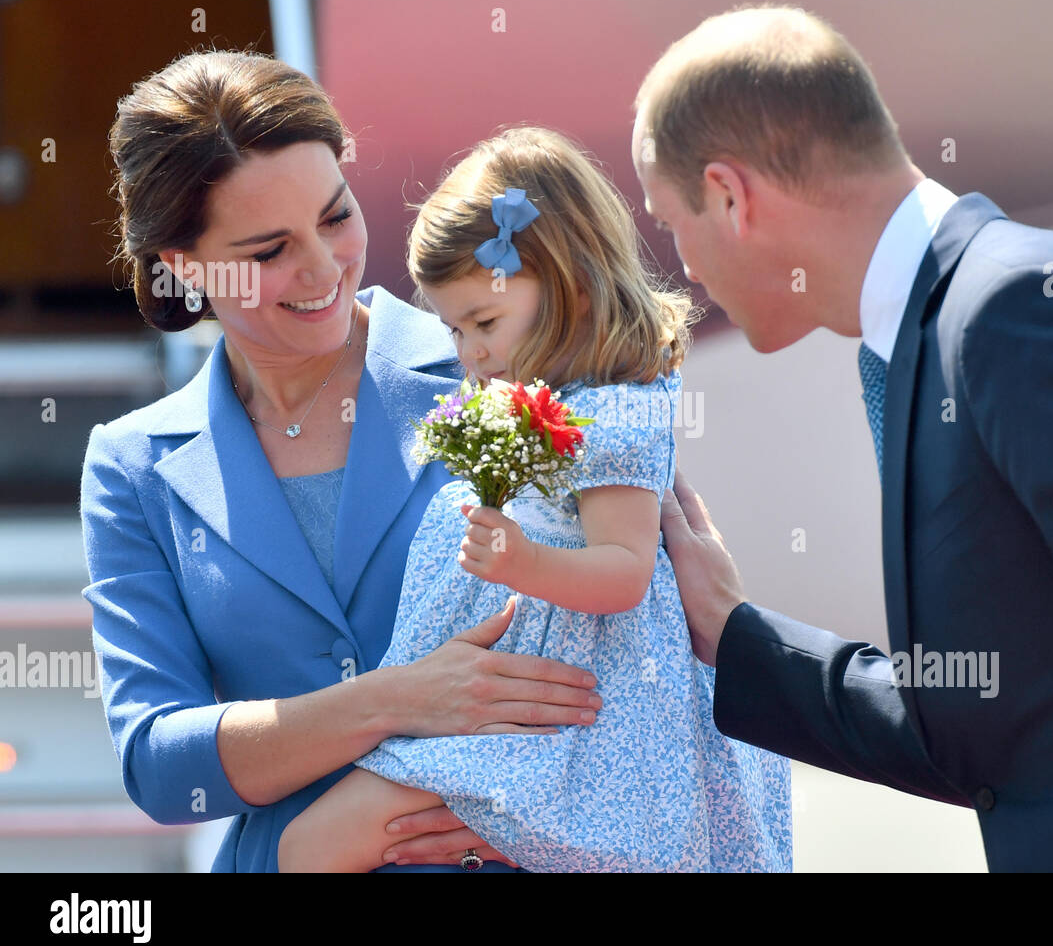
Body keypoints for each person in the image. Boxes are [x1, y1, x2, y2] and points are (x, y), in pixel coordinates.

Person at [633, 4, 1053, 871]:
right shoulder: (937, 336)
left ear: (730, 195)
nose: (683, 265)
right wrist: (735, 636)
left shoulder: (1020, 312)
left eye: (669, 221)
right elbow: (982, 724)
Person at [81, 50, 605, 873]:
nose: (324, 269)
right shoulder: (133, 465)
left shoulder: (509, 366)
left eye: (335, 216)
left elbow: (644, 639)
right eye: (268, 251)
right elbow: (160, 764)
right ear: (185, 267)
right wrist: (393, 703)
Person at [277, 126, 792, 872]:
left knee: (314, 845)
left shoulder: (614, 412)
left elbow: (624, 572)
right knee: (312, 846)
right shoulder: (529, 395)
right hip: (513, 702)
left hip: (576, 725)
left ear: (571, 289)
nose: (469, 354)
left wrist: (521, 561)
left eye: (483, 323)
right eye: (455, 329)